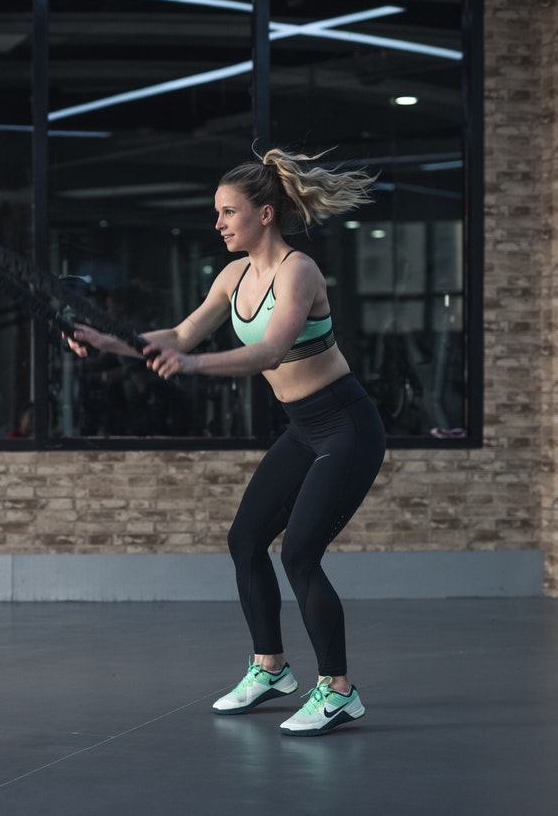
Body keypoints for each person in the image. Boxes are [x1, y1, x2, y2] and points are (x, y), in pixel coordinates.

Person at [68, 146, 385, 736]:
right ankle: (270, 668)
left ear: (265, 214)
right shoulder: (233, 275)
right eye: (217, 213)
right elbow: (180, 333)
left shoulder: (299, 272)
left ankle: (339, 690)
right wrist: (103, 339)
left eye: (227, 212)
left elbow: (269, 351)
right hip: (302, 428)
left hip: (346, 427)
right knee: (246, 540)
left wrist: (190, 366)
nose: (217, 223)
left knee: (299, 554)